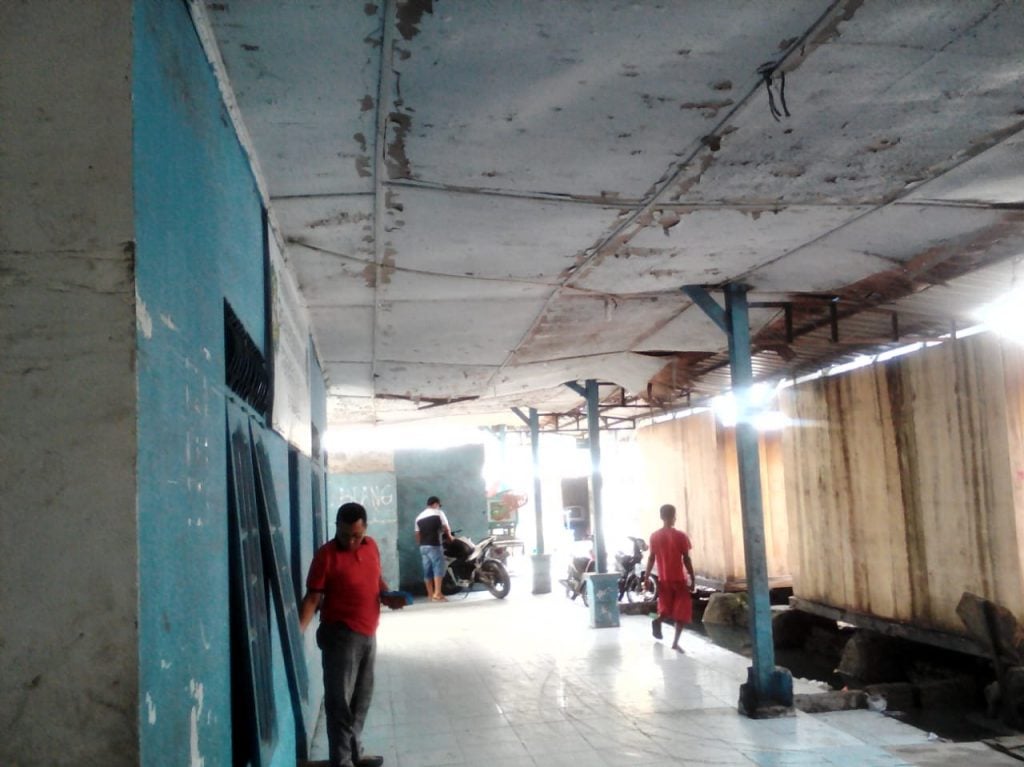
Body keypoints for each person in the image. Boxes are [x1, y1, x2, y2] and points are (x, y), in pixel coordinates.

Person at [300, 502, 406, 767]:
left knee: (361, 700)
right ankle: (342, 760)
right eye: (345, 534)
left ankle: (355, 753)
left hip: (368, 634)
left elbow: (376, 580)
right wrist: (297, 633)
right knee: (339, 703)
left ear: (365, 529)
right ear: (337, 527)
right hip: (340, 636)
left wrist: (388, 596)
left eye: (356, 535)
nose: (350, 541)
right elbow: (313, 598)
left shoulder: (371, 547)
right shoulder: (325, 555)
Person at [646, 503, 695, 653]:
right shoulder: (681, 536)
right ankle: (675, 643)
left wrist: (646, 577)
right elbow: (686, 559)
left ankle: (658, 620)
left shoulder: (654, 536)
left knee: (665, 609)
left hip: (664, 579)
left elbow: (651, 558)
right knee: (682, 612)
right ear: (674, 517)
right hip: (679, 579)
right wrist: (692, 577)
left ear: (661, 517)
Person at [414, 496, 451, 602]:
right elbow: (446, 527)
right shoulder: (438, 513)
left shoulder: (419, 517)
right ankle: (438, 594)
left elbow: (417, 534)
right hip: (434, 545)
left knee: (427, 570)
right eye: (439, 505)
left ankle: (430, 594)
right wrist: (450, 537)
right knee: (438, 568)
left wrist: (421, 544)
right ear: (435, 504)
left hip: (423, 547)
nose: (439, 507)